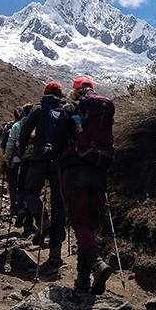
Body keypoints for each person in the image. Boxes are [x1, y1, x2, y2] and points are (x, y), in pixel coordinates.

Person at [52, 76, 115, 294]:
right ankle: (83, 279)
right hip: (100, 171)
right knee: (88, 224)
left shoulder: (71, 108)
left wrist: (51, 154)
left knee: (79, 222)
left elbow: (58, 139)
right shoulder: (103, 113)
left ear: (75, 91)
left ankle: (97, 264)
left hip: (75, 170)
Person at [17, 82, 67, 266]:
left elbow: (25, 131)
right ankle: (56, 252)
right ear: (61, 94)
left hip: (38, 158)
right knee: (59, 204)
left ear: (45, 93)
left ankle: (41, 219)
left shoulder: (38, 108)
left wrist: (22, 151)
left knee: (30, 192)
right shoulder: (65, 109)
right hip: (59, 161)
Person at [4, 103, 33, 227]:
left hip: (18, 160)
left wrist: (6, 158)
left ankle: (19, 208)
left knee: (18, 187)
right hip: (34, 161)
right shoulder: (36, 125)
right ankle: (29, 221)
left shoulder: (17, 126)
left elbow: (10, 144)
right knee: (31, 190)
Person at [2, 105, 24, 219]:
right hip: (25, 160)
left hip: (12, 160)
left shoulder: (10, 126)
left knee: (12, 184)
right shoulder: (28, 125)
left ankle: (13, 207)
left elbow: (5, 143)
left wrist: (5, 156)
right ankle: (22, 207)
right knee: (23, 184)